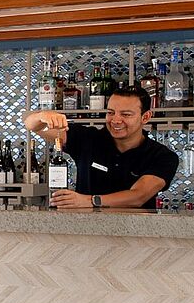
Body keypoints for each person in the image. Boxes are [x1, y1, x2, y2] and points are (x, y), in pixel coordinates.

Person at [24, 83, 177, 211]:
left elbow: (138, 196)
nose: (116, 120)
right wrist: (42, 116)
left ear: (145, 117)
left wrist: (90, 201)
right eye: (111, 113)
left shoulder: (162, 156)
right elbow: (31, 125)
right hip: (88, 231)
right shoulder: (87, 139)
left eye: (126, 114)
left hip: (137, 234)